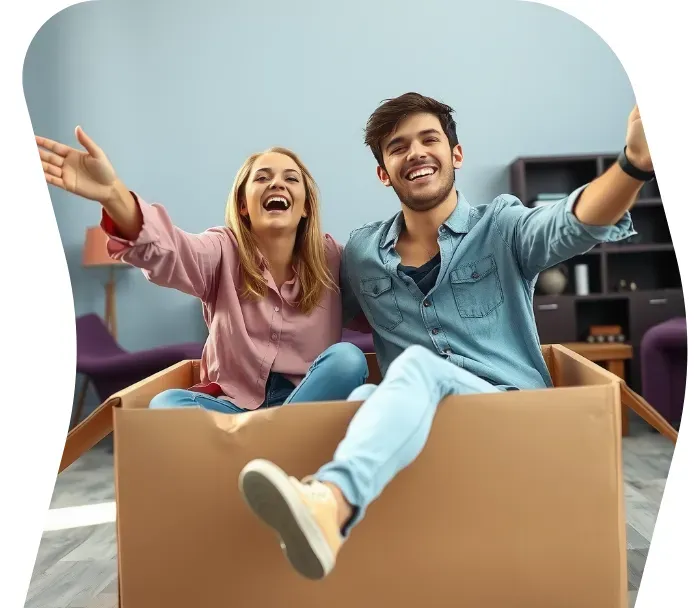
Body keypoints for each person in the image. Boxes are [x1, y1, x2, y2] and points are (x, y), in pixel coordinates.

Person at [238, 93, 653, 581]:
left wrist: (634, 164)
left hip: (512, 418)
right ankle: (337, 532)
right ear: (383, 172)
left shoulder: (502, 225)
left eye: (428, 139)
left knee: (415, 365)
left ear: (456, 154)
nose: (414, 152)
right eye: (398, 147)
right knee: (367, 394)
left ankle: (332, 505)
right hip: (425, 430)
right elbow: (301, 307)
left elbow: (569, 223)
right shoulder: (361, 254)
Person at [36, 128, 369, 414]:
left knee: (348, 359)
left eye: (290, 178)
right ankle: (268, 442)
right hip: (233, 407)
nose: (276, 184)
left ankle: (261, 442)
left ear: (306, 206)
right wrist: (114, 196)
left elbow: (383, 303)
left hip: (307, 401)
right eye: (263, 178)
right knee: (166, 404)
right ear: (243, 205)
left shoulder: (333, 259)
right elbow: (172, 251)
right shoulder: (221, 249)